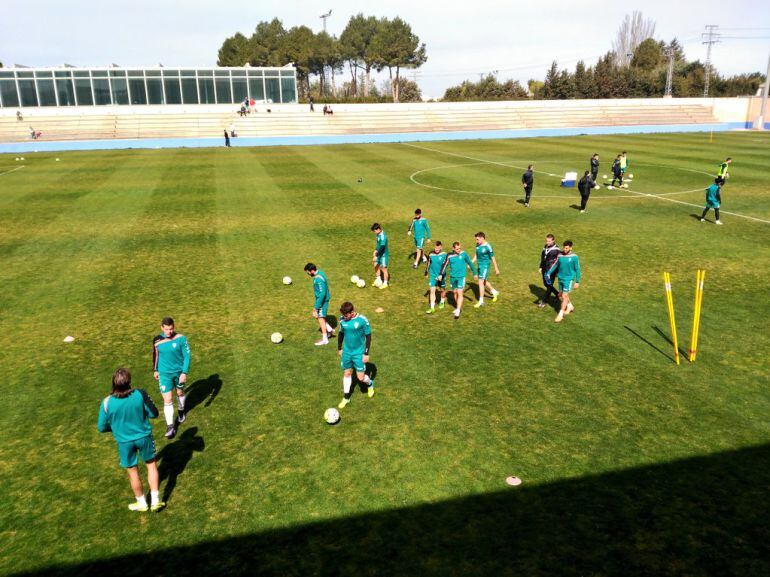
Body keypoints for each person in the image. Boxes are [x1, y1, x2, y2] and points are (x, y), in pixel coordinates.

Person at [97, 367, 165, 512]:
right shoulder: (140, 394)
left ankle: (141, 503)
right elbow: (154, 414)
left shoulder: (107, 402)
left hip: (124, 442)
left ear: (114, 383)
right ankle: (155, 501)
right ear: (129, 381)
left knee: (132, 472)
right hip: (144, 438)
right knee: (151, 466)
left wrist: (116, 429)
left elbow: (101, 427)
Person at [152, 317, 191, 439]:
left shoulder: (181, 339)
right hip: (164, 375)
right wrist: (156, 370)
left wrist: (184, 372)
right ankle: (170, 426)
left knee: (179, 392)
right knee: (167, 399)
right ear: (162, 328)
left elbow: (187, 356)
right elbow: (156, 355)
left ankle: (181, 411)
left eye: (171, 328)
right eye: (167, 329)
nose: (169, 331)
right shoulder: (157, 340)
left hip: (179, 373)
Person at [337, 301, 374, 409]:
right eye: (343, 315)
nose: (344, 317)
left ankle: (370, 383)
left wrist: (366, 353)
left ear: (352, 312)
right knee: (347, 373)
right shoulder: (343, 320)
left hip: (358, 353)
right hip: (347, 352)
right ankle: (346, 397)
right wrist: (339, 348)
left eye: (346, 315)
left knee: (361, 378)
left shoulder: (362, 320)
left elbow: (368, 336)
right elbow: (341, 333)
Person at [440, 241, 477, 319]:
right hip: (453, 277)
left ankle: (458, 310)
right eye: (457, 249)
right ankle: (458, 308)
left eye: (460, 248)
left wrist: (475, 273)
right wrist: (440, 274)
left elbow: (470, 263)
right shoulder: (449, 256)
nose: (459, 250)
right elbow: (444, 265)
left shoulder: (463, 254)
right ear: (453, 248)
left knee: (460, 293)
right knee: (455, 292)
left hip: (461, 277)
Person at [547, 240, 581, 323]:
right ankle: (570, 306)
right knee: (561, 295)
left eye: (567, 248)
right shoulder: (560, 255)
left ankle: (560, 314)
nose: (565, 249)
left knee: (565, 296)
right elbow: (555, 265)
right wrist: (548, 273)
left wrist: (577, 281)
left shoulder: (574, 257)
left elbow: (578, 269)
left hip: (568, 279)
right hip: (560, 278)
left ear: (570, 248)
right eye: (564, 248)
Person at [304, 263, 334, 345]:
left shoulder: (318, 279)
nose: (308, 274)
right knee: (318, 316)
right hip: (322, 300)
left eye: (308, 272)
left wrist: (316, 307)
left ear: (312, 271)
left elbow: (322, 293)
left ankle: (325, 339)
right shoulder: (321, 273)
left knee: (320, 317)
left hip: (322, 301)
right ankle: (329, 329)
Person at [472, 232, 500, 308]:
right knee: (483, 281)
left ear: (482, 238)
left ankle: (481, 301)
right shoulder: (478, 245)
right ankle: (494, 292)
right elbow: (476, 255)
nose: (476, 241)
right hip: (480, 266)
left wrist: (496, 268)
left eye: (477, 239)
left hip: (485, 266)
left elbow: (492, 258)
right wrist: (471, 262)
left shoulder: (488, 246)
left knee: (480, 282)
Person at [424, 241, 448, 314]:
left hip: (442, 275)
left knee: (442, 290)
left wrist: (441, 274)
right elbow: (429, 262)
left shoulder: (444, 255)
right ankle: (432, 307)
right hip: (433, 275)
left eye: (438, 247)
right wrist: (426, 271)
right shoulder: (431, 254)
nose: (436, 249)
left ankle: (442, 301)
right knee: (432, 290)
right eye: (435, 247)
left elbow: (445, 265)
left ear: (441, 247)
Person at [537, 234, 561, 308]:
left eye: (549, 241)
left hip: (551, 270)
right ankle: (558, 295)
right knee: (546, 284)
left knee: (549, 285)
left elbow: (559, 261)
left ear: (553, 240)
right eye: (547, 241)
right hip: (544, 268)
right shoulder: (545, 247)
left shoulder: (557, 249)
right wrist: (541, 267)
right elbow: (542, 257)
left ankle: (544, 301)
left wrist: (557, 271)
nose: (547, 242)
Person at [371, 223, 389, 289]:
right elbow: (378, 245)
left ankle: (385, 283)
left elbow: (382, 247)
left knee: (383, 269)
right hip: (379, 253)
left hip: (383, 255)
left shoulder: (383, 236)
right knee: (375, 265)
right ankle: (378, 279)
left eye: (374, 231)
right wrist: (375, 250)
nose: (374, 232)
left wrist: (376, 255)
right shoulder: (378, 235)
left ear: (378, 229)